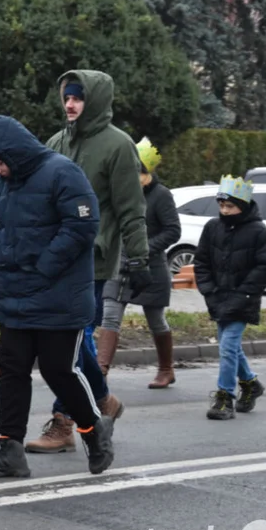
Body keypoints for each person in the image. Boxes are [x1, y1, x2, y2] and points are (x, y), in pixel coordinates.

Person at [0, 115, 114, 478]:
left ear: (15, 152)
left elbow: (82, 225)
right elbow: (0, 223)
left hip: (59, 295)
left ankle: (94, 431)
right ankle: (10, 450)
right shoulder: (3, 182)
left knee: (59, 369)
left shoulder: (63, 172)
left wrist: (45, 266)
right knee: (12, 370)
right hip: (15, 292)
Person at [28, 70, 148, 453]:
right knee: (70, 343)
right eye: (67, 96)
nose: (70, 104)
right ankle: (102, 398)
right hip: (54, 258)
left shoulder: (118, 146)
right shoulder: (56, 142)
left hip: (93, 262)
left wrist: (140, 258)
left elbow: (131, 209)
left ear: (93, 101)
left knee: (70, 344)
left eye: (78, 97)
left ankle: (65, 421)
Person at [98, 138, 181, 387]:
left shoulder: (161, 196)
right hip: (119, 267)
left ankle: (166, 369)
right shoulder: (119, 193)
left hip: (150, 270)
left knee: (156, 320)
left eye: (137, 172)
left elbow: (172, 231)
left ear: (148, 174)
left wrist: (144, 250)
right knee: (110, 316)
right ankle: (100, 371)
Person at [194, 176, 266, 420]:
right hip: (218, 298)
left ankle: (224, 398)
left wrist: (245, 294)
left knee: (228, 347)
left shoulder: (258, 231)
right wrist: (209, 291)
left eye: (230, 207)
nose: (225, 211)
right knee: (230, 347)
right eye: (221, 206)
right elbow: (201, 262)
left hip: (243, 300)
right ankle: (250, 383)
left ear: (243, 206)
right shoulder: (212, 228)